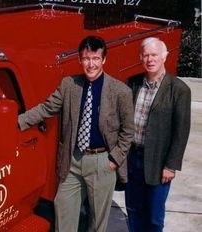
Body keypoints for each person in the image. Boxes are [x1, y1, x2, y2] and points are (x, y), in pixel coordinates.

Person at [18, 35, 135, 232]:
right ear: (80, 60)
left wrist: (114, 159)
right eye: (86, 59)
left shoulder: (120, 91)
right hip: (73, 160)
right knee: (63, 209)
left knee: (97, 223)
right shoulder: (69, 85)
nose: (91, 64)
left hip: (102, 162)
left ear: (104, 60)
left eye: (96, 59)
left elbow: (128, 131)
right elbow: (46, 108)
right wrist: (17, 121)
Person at [125, 37, 191, 232]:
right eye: (145, 55)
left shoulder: (179, 90)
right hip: (133, 158)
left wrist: (171, 165)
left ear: (164, 56)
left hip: (159, 162)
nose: (150, 59)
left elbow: (181, 131)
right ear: (140, 57)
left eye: (154, 54)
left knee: (154, 216)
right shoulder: (133, 83)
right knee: (134, 209)